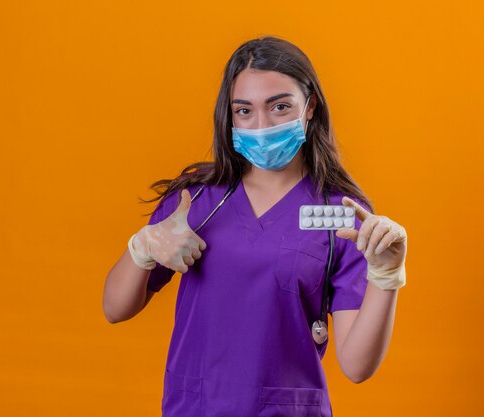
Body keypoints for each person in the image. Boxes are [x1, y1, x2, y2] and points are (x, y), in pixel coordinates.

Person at [102, 36, 407, 417]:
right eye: (244, 111)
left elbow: (357, 366)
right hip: (195, 408)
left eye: (280, 107)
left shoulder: (340, 214)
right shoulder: (195, 202)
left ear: (309, 106)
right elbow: (114, 309)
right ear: (230, 116)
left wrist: (386, 275)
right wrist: (142, 249)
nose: (261, 126)